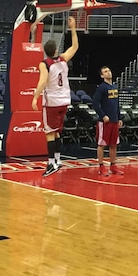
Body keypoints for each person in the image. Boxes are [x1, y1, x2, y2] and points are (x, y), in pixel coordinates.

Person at [31, 15, 79, 177]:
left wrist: (35, 97)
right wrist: (72, 28)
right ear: (56, 51)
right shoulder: (63, 59)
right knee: (57, 131)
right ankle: (58, 160)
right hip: (65, 100)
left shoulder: (44, 63)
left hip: (52, 102)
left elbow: (43, 81)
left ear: (45, 52)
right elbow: (75, 46)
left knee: (49, 133)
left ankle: (51, 163)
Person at [91, 66, 123, 176]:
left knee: (114, 144)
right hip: (104, 122)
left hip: (114, 120)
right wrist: (103, 115)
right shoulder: (102, 88)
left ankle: (113, 166)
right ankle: (101, 167)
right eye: (105, 72)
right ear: (102, 76)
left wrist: (119, 117)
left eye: (109, 70)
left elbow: (117, 104)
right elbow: (95, 103)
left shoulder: (114, 86)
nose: (108, 72)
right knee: (102, 144)